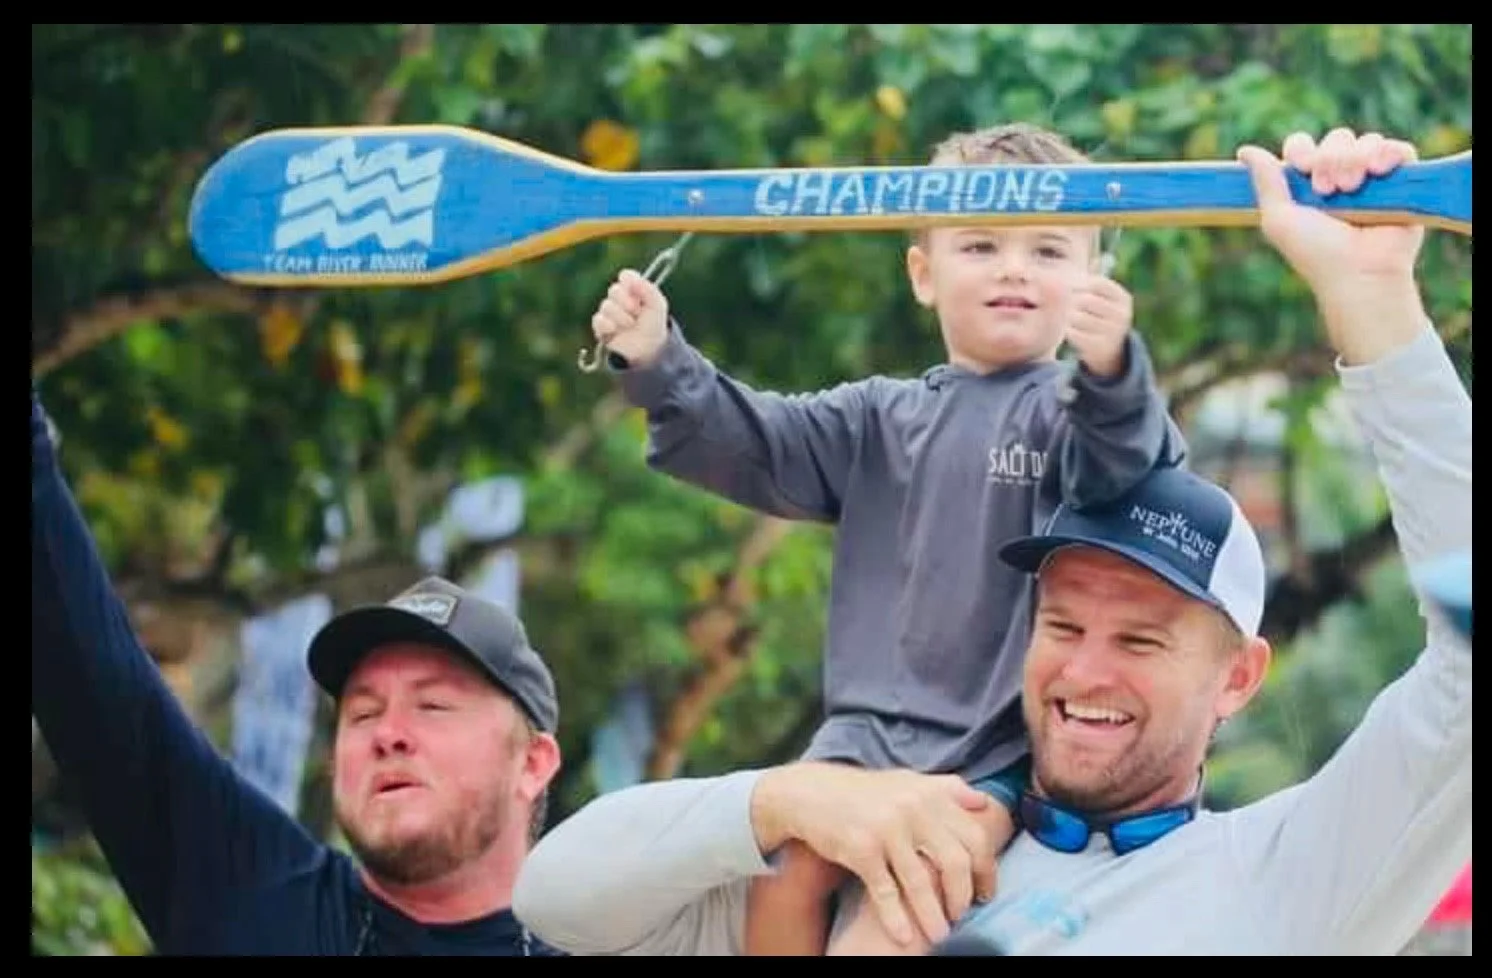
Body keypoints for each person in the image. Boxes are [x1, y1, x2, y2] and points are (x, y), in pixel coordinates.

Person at [512, 127, 1472, 955]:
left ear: (1239, 677)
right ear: (923, 270)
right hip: (850, 762)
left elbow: (1119, 442)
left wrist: (1375, 303)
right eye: (1056, 620)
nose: (1086, 668)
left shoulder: (1285, 877)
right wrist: (789, 803)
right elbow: (552, 896)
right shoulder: (847, 842)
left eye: (1141, 638)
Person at [585, 121, 1188, 954]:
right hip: (859, 739)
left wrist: (1115, 369)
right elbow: (754, 441)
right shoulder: (876, 415)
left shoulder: (1071, 412)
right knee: (786, 874)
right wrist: (657, 357)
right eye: (980, 245)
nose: (1014, 268)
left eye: (1049, 252)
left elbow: (1128, 466)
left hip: (995, 747)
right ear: (922, 273)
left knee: (901, 910)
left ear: (1094, 278)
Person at [32, 401, 567, 955]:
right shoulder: (254, 893)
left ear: (531, 763)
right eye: (362, 713)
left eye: (432, 706)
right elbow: (88, 670)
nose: (389, 733)